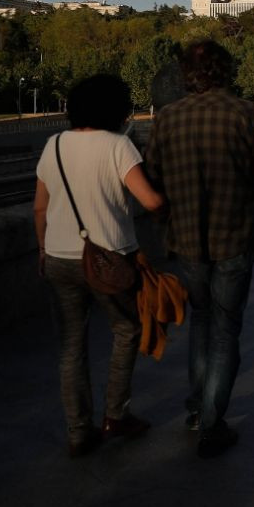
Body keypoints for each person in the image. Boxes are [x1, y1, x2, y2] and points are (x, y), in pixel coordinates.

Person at [143, 41, 254, 458]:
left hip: (187, 241)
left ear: (188, 75)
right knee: (227, 330)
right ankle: (211, 421)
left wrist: (166, 226)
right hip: (235, 238)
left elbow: (151, 181)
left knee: (201, 323)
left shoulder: (167, 118)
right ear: (226, 71)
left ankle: (196, 408)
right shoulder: (246, 114)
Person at [34, 74, 165, 458]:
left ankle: (78, 430)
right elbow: (152, 202)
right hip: (110, 259)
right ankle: (115, 414)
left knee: (71, 347)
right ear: (116, 109)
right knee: (126, 329)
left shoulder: (54, 145)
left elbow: (40, 207)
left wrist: (42, 248)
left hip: (59, 257)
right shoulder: (118, 145)